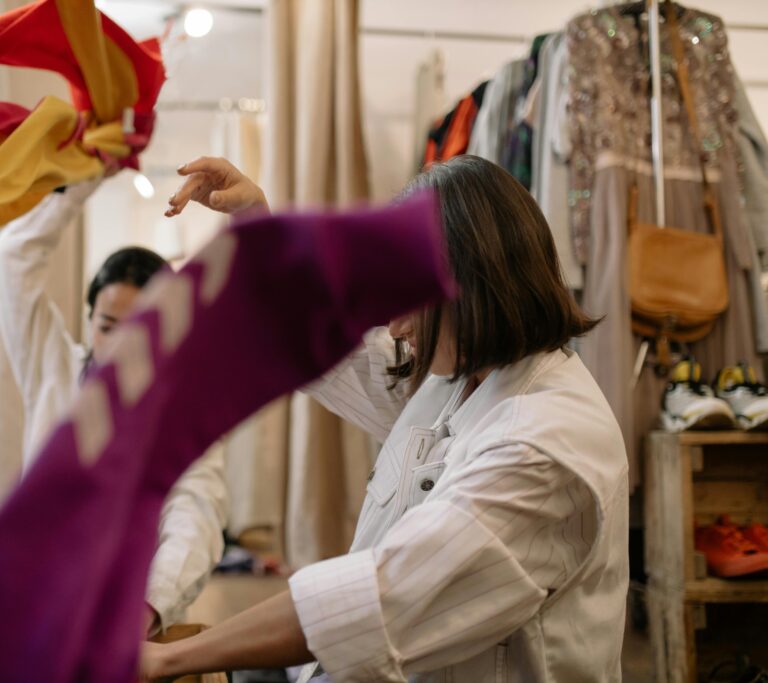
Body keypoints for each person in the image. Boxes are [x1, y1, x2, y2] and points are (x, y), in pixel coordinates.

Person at [142, 154, 629, 682]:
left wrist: (172, 659)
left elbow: (384, 599)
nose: (395, 328)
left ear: (467, 286)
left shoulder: (544, 445)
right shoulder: (458, 378)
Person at [0, 178, 229, 635]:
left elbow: (196, 516)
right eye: (107, 326)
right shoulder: (54, 369)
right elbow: (10, 260)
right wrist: (83, 179)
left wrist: (145, 610)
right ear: (90, 320)